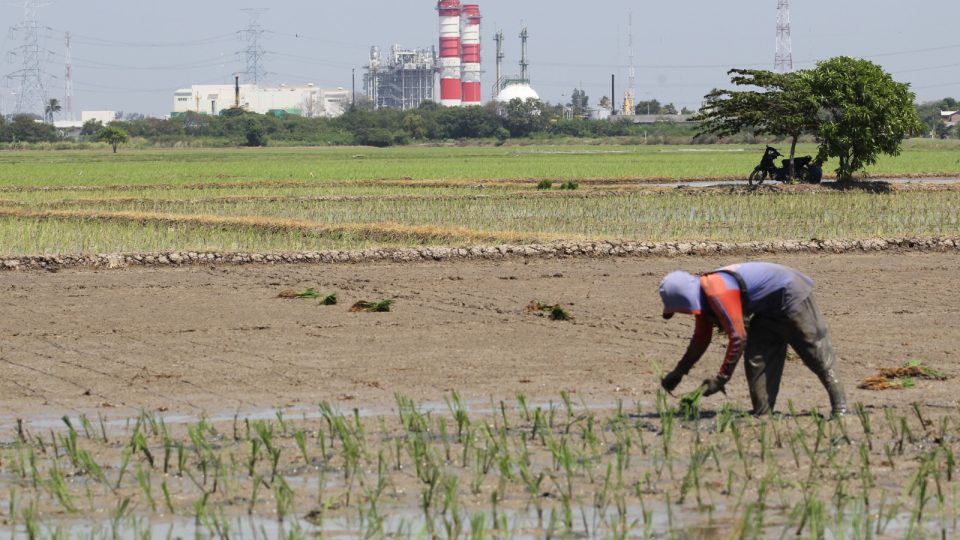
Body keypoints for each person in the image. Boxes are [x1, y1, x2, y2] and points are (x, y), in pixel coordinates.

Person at [658, 262, 847, 416]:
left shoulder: (717, 291)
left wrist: (721, 379)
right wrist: (679, 371)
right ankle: (763, 413)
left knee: (815, 352)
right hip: (767, 310)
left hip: (790, 294)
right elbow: (701, 339)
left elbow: (738, 337)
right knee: (757, 357)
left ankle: (840, 408)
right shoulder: (704, 300)